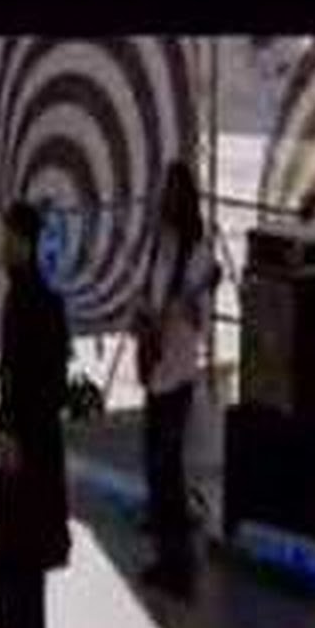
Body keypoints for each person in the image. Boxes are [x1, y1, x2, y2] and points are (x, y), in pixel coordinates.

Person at [0, 201, 72, 628]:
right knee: (15, 572)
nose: (1, 247)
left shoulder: (31, 302)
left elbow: (35, 383)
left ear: (21, 240)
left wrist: (14, 431)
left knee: (14, 570)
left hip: (27, 452)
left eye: (7, 237)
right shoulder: (26, 297)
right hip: (26, 446)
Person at [130, 160, 219, 600]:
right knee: (157, 468)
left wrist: (185, 308)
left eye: (172, 194)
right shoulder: (157, 247)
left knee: (167, 470)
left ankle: (178, 567)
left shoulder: (197, 254)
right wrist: (143, 317)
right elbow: (145, 294)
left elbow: (201, 316)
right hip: (156, 369)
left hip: (178, 369)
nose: (165, 202)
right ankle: (166, 558)